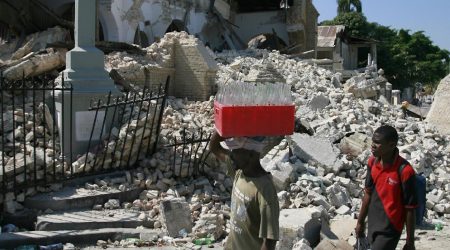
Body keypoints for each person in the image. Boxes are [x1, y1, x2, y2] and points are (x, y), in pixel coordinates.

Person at [209, 131, 279, 250]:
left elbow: (269, 241)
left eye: (235, 151)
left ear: (251, 155)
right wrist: (226, 125)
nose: (231, 154)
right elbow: (214, 147)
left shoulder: (265, 190)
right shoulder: (239, 172)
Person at [355, 125, 417, 250]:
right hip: (373, 223)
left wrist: (410, 242)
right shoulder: (372, 163)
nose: (372, 145)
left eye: (378, 143)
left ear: (391, 145)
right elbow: (368, 194)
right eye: (373, 141)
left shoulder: (405, 171)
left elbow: (410, 209)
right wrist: (360, 222)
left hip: (390, 228)